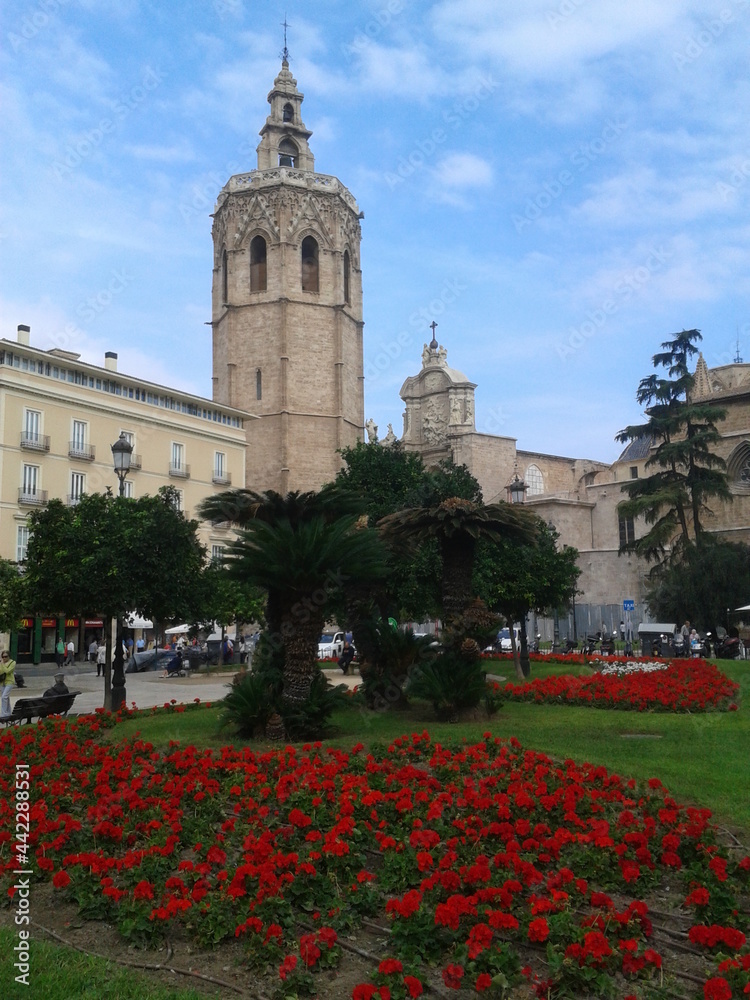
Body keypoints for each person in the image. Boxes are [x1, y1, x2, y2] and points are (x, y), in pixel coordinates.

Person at [0, 650, 16, 719]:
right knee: (6, 698)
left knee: (4, 697)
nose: (4, 658)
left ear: (9, 656)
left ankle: (3, 714)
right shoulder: (1, 664)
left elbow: (8, 671)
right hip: (2, 682)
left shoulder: (13, 662)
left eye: (6, 656)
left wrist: (2, 665)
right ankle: (8, 712)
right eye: (3, 657)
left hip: (9, 682)